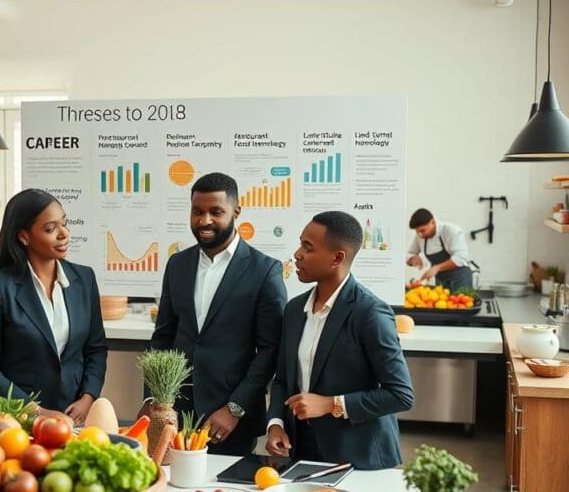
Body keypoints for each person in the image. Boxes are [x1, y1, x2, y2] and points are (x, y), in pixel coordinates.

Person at [151, 172, 287, 456]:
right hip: (175, 411)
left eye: (216, 211)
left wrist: (235, 408)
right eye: (197, 211)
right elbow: (164, 335)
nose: (204, 221)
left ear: (236, 211)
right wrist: (155, 398)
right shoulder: (177, 265)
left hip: (229, 418)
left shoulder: (265, 271)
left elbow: (270, 350)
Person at [266, 211, 413, 469]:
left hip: (358, 454)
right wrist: (276, 423)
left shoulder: (370, 313)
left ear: (337, 258)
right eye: (300, 243)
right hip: (301, 447)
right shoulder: (293, 310)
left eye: (308, 247)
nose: (297, 254)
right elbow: (282, 379)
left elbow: (400, 395)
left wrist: (330, 404)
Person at [0, 189, 107, 425]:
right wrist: (36, 411)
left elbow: (95, 348)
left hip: (71, 417)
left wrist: (88, 398)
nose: (64, 234)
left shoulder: (84, 279)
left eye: (64, 223)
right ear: (24, 236)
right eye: (50, 229)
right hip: (14, 419)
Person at [406, 208, 473, 291]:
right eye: (417, 232)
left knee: (459, 303)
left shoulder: (452, 230)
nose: (420, 235)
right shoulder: (421, 236)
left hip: (460, 279)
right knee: (441, 303)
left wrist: (436, 268)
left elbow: (461, 257)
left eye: (423, 230)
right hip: (441, 281)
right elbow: (409, 253)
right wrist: (412, 259)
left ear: (433, 222)